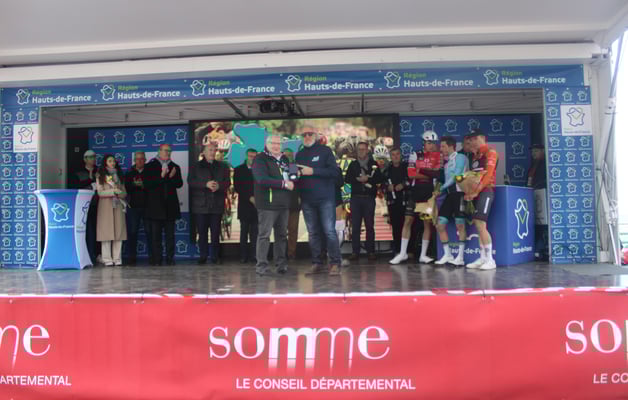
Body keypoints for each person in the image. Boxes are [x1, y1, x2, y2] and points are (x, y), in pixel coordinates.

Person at [390, 131, 441, 265]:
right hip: (415, 191)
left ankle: (423, 255)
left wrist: (423, 172)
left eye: (433, 143)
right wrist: (429, 174)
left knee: (427, 224)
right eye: (429, 143)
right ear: (423, 143)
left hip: (429, 193)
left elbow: (437, 174)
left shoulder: (438, 156)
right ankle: (402, 253)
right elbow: (411, 174)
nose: (431, 145)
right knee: (407, 221)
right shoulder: (415, 154)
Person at [296, 128, 342, 275]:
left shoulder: (325, 151)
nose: (307, 136)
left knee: (329, 231)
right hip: (307, 200)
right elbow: (295, 177)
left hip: (325, 199)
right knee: (313, 233)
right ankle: (317, 263)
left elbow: (334, 172)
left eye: (310, 134)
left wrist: (313, 171)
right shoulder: (299, 154)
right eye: (304, 135)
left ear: (315, 136)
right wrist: (295, 176)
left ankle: (335, 263)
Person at [252, 134, 294, 275]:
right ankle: (261, 267)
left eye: (278, 143)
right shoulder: (260, 159)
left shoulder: (285, 159)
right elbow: (262, 179)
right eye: (273, 143)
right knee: (264, 236)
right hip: (267, 204)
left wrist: (295, 174)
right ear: (266, 144)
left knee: (281, 236)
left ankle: (281, 265)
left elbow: (292, 175)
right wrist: (283, 184)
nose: (276, 146)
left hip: (283, 204)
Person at [188, 142, 231, 265]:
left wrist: (219, 186)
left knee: (215, 232)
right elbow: (190, 182)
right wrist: (205, 184)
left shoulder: (223, 166)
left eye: (214, 150)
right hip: (200, 205)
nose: (213, 152)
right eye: (210, 150)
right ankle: (203, 255)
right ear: (204, 152)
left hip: (216, 204)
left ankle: (215, 257)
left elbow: (227, 182)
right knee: (202, 233)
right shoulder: (195, 166)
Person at [144, 144, 183, 266]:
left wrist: (171, 177)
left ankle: (170, 259)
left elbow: (179, 184)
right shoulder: (150, 166)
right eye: (166, 150)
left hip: (170, 207)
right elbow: (147, 184)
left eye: (169, 151)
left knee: (170, 236)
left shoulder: (174, 166)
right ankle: (157, 259)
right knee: (156, 236)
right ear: (159, 151)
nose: (168, 153)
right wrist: (162, 176)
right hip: (155, 208)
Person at [465, 129, 499, 270]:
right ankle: (483, 258)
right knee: (479, 226)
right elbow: (473, 177)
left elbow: (488, 175)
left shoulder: (491, 152)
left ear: (483, 138)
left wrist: (476, 191)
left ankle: (490, 260)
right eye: (470, 139)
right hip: (476, 193)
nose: (472, 142)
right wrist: (469, 191)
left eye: (475, 138)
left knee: (480, 224)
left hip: (486, 191)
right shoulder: (474, 156)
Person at [345, 141, 384, 261]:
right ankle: (355, 252)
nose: (361, 151)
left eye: (363, 149)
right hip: (356, 198)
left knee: (369, 226)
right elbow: (347, 179)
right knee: (355, 226)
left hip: (369, 198)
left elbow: (379, 178)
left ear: (367, 150)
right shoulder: (353, 164)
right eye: (359, 149)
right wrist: (358, 179)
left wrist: (368, 179)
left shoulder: (374, 164)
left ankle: (371, 251)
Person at [434, 136, 468, 266]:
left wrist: (441, 188)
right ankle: (447, 255)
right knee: (440, 225)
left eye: (443, 146)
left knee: (460, 225)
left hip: (460, 194)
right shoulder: (447, 163)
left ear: (451, 146)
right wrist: (438, 190)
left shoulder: (461, 157)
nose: (441, 149)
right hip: (449, 195)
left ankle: (460, 257)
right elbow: (445, 180)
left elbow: (456, 176)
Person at [68, 149, 99, 265]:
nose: (93, 159)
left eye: (94, 156)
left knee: (96, 231)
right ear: (85, 159)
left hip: (98, 204)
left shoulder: (99, 171)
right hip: (83, 206)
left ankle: (96, 255)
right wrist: (90, 179)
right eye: (90, 157)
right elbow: (74, 186)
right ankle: (86, 255)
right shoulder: (78, 172)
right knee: (85, 231)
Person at [95, 154, 127, 266]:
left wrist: (120, 193)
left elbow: (124, 192)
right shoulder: (100, 175)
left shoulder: (119, 175)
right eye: (110, 161)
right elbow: (100, 192)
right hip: (105, 206)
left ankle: (117, 259)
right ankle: (107, 259)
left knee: (119, 232)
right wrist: (113, 191)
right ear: (105, 162)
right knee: (106, 233)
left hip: (118, 205)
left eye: (113, 161)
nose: (112, 163)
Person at [124, 151, 152, 265]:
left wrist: (143, 185)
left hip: (148, 206)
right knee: (132, 232)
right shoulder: (129, 173)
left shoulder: (150, 172)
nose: (139, 161)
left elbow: (153, 186)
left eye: (141, 159)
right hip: (133, 207)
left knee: (150, 232)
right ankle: (132, 258)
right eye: (137, 159)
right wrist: (134, 185)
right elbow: (125, 188)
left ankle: (152, 258)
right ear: (134, 160)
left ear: (145, 160)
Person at [233, 148, 258, 263]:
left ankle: (254, 255)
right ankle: (243, 256)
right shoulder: (239, 170)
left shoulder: (260, 170)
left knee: (255, 233)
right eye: (250, 156)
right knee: (244, 232)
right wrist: (249, 197)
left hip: (257, 206)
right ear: (246, 156)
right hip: (244, 205)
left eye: (254, 157)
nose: (252, 158)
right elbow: (237, 187)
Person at [383, 148, 407, 255]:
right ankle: (397, 250)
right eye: (393, 154)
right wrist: (388, 187)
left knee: (407, 225)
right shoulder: (387, 170)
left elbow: (412, 179)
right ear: (390, 157)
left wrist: (403, 185)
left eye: (397, 154)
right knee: (396, 226)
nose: (395, 156)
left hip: (406, 200)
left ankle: (409, 250)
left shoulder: (406, 167)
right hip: (393, 202)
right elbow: (382, 184)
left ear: (401, 155)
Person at [283, 148, 301, 261]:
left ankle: (291, 252)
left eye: (290, 155)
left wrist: (299, 197)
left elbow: (296, 182)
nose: (288, 157)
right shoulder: (277, 166)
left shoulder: (294, 167)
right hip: (280, 203)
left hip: (293, 202)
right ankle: (281, 253)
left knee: (293, 229)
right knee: (281, 230)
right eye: (286, 155)